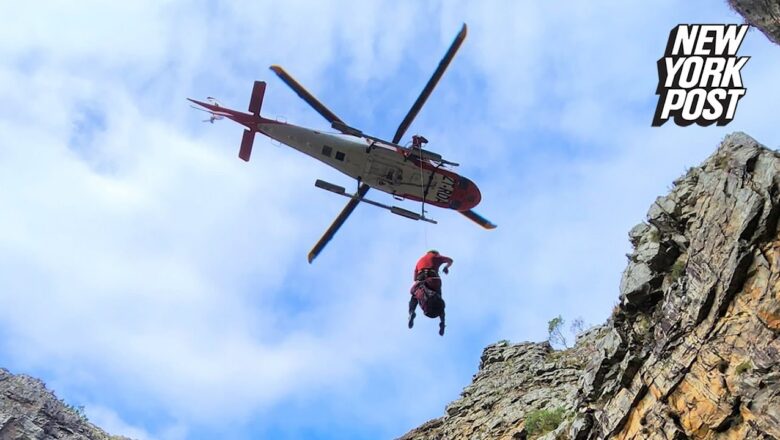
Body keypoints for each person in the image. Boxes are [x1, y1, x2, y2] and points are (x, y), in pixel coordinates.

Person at [408, 250, 453, 336]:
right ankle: (442, 322)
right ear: (435, 253)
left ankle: (411, 312)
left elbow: (415, 278)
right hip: (433, 279)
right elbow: (450, 261)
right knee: (438, 297)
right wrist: (446, 267)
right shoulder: (436, 256)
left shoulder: (419, 261)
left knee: (415, 295)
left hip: (420, 279)